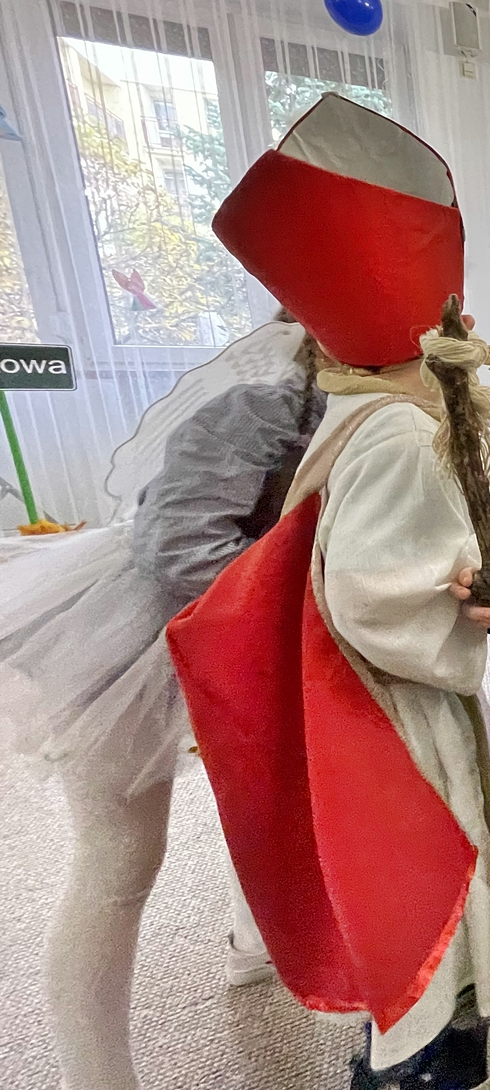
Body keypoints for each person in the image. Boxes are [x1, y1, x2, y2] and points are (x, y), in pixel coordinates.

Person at [167, 93, 490, 1090]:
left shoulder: (358, 409)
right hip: (397, 704)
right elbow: (368, 595)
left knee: (400, 869)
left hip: (367, 694)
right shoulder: (398, 429)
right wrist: (465, 604)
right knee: (424, 863)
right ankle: (415, 1057)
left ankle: (437, 1029)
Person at [0, 318, 322, 1090]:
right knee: (120, 856)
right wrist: (312, 602)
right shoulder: (263, 408)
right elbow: (178, 546)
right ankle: (95, 1078)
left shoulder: (364, 409)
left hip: (233, 634)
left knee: (260, 793)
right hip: (128, 641)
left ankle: (252, 942)